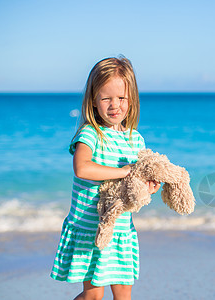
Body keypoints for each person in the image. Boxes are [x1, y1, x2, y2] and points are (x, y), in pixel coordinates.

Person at [50, 57, 160, 300]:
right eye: (106, 98)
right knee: (94, 295)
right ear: (93, 101)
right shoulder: (90, 134)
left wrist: (147, 187)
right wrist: (124, 171)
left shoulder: (135, 140)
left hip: (121, 230)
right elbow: (82, 168)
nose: (114, 105)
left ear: (131, 99)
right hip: (91, 229)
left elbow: (135, 184)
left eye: (121, 98)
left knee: (123, 295)